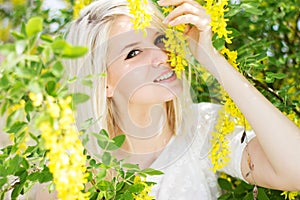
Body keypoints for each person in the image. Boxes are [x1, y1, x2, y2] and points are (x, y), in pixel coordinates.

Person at [63, 0, 300, 199]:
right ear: (103, 82)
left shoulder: (203, 127)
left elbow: (295, 171)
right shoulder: (71, 166)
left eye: (159, 39)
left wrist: (210, 56)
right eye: (133, 53)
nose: (162, 56)